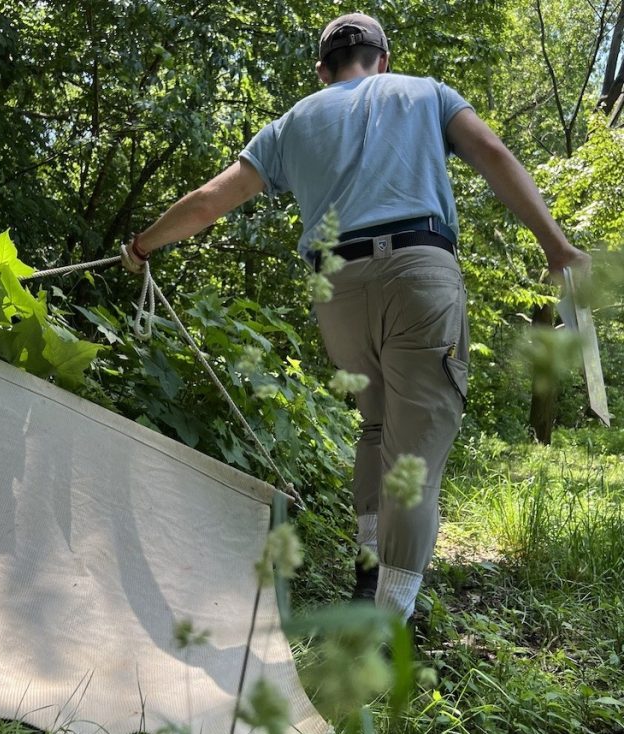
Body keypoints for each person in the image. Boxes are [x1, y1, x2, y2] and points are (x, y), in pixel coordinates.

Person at [121, 13, 590, 621]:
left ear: (323, 70)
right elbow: (493, 153)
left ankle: (371, 577)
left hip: (337, 289)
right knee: (412, 457)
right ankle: (390, 622)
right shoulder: (427, 94)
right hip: (418, 274)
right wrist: (556, 247)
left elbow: (211, 201)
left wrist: (141, 246)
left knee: (375, 430)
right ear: (383, 60)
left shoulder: (294, 121)